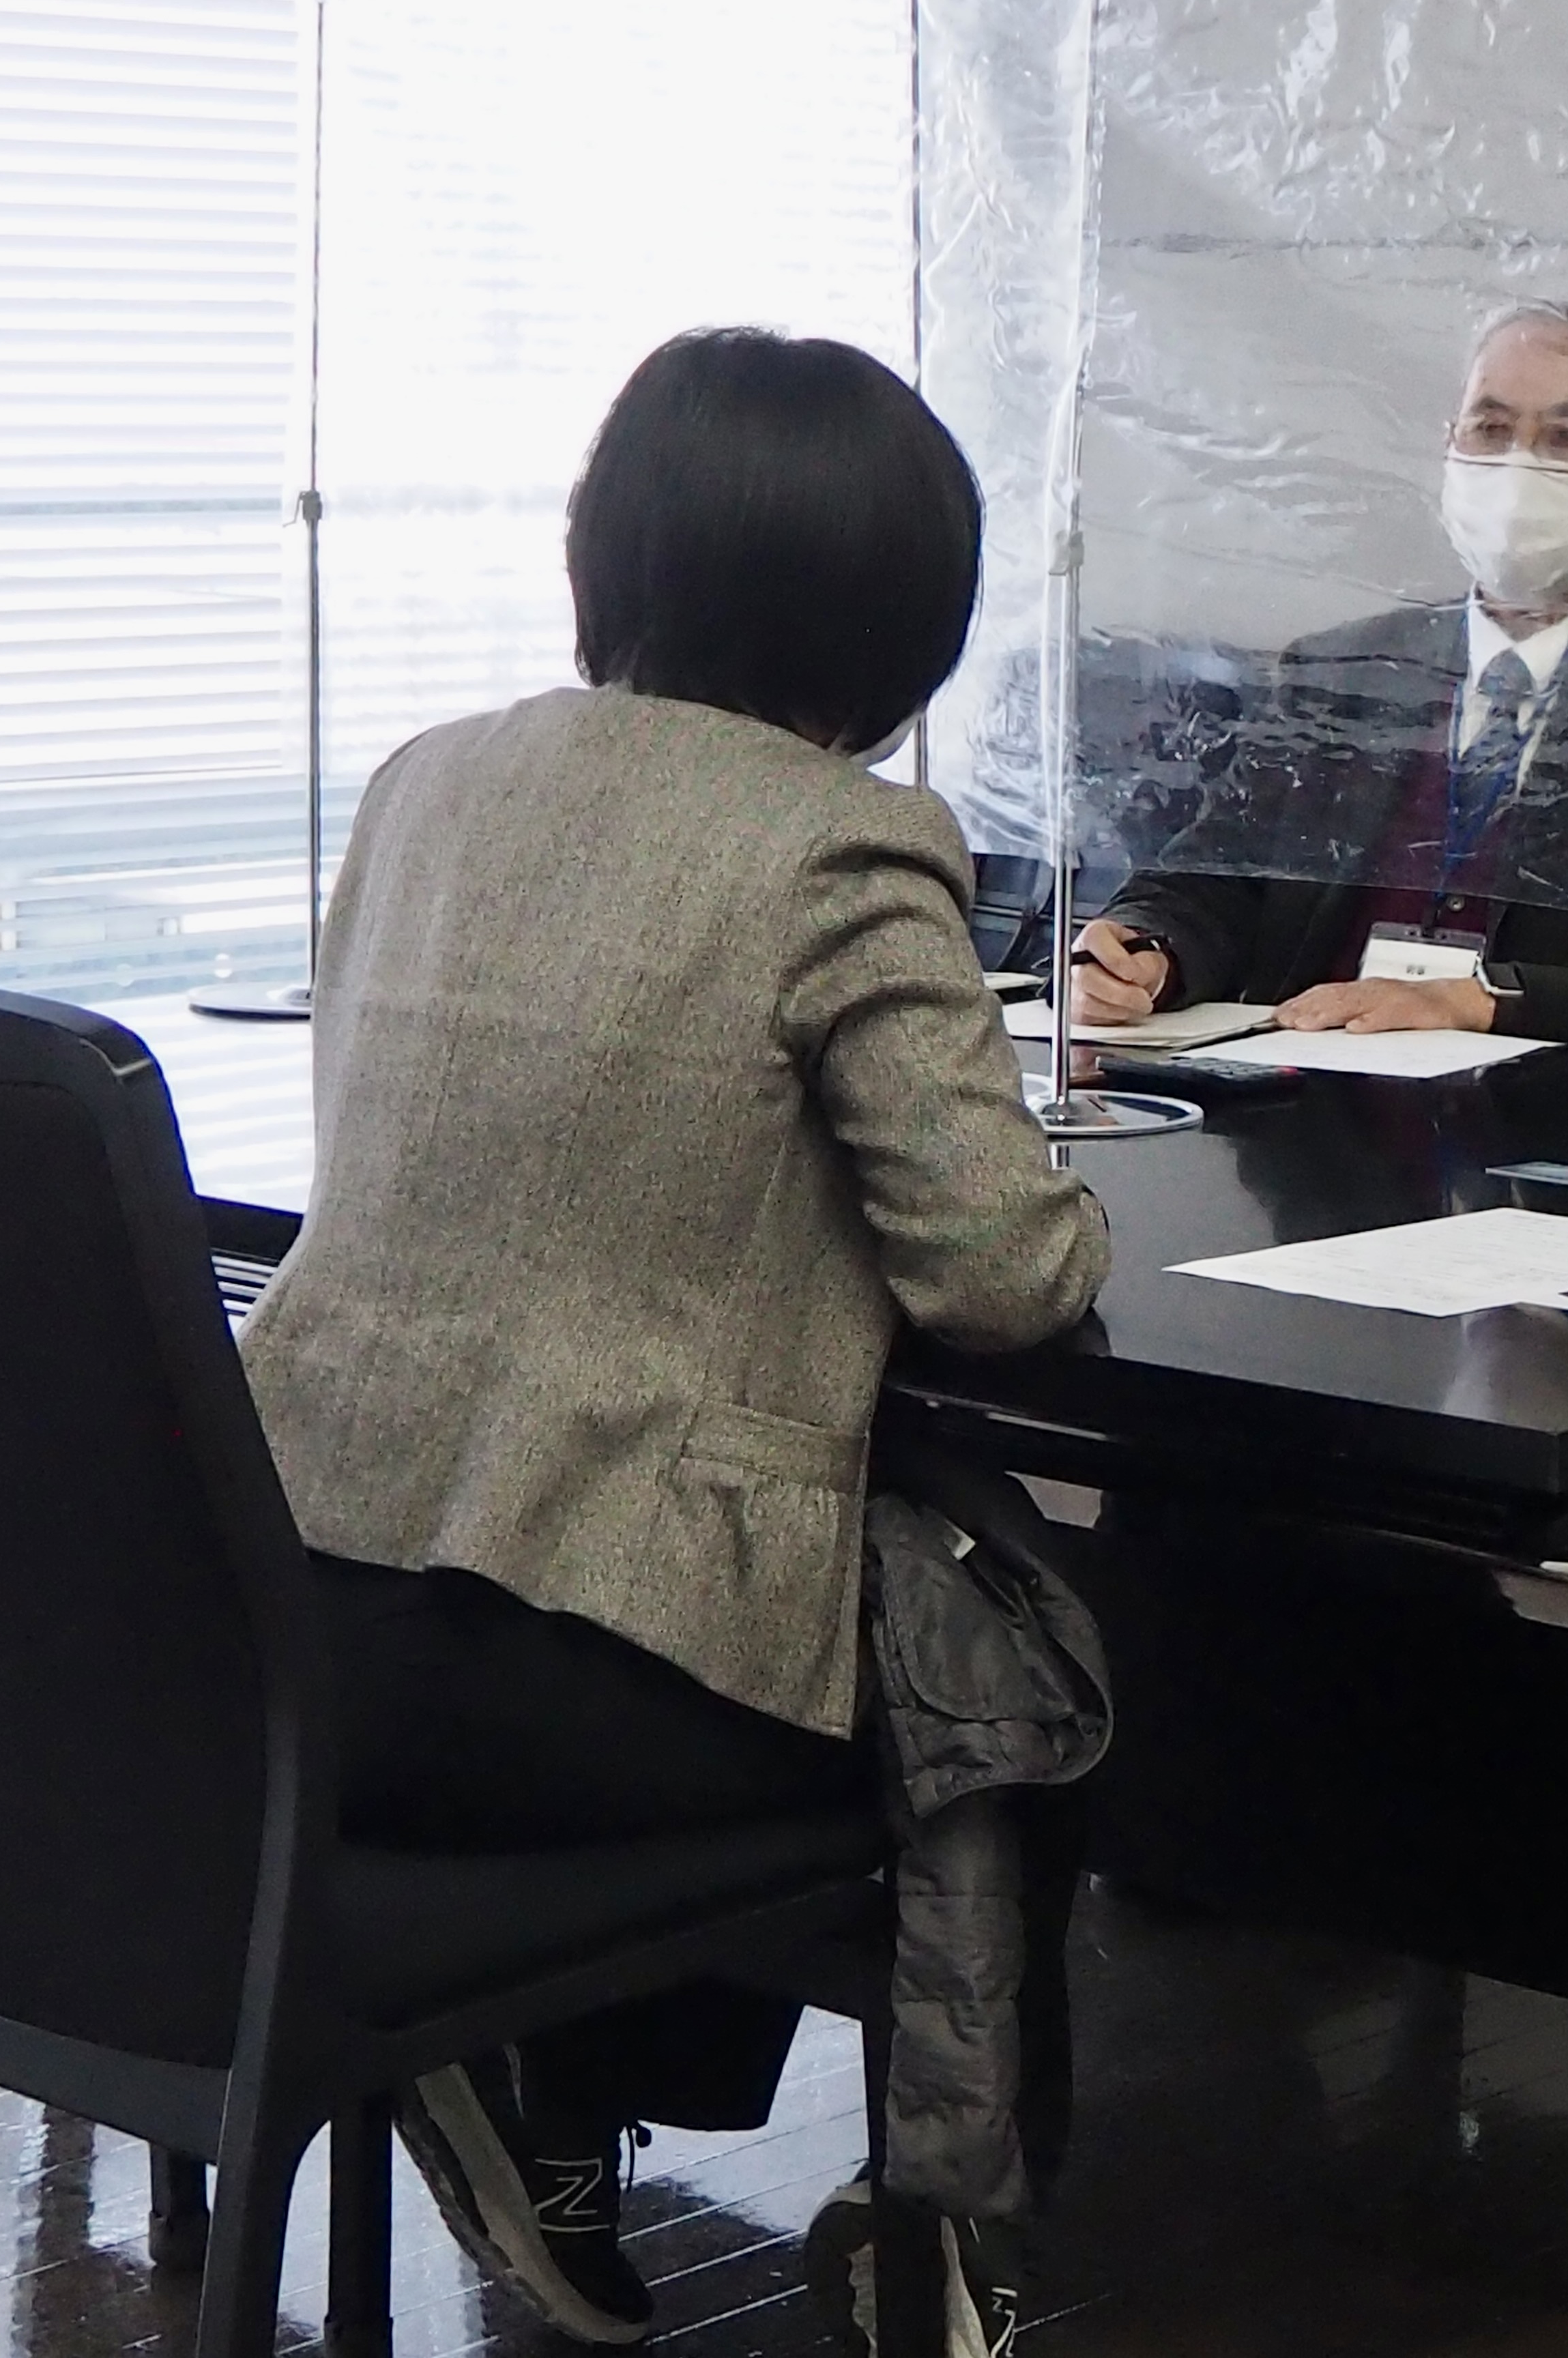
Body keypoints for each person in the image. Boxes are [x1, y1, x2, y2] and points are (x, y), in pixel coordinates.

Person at [237, 329, 1109, 2348]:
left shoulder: (426, 779)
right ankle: (950, 2243)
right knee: (1002, 1674)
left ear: (606, 550)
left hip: (282, 1625)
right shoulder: (842, 840)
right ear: (900, 614)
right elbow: (1003, 1273)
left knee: (765, 1566)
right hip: (565, 1681)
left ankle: (554, 2113)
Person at [1068, 300, 1568, 1071]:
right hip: (1306, 1113)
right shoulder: (1341, 675)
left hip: (1559, 1123)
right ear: (1449, 446)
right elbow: (1213, 881)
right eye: (1491, 429)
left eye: (1563, 439)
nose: (1517, 467)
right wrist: (1148, 953)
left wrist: (1481, 1003)